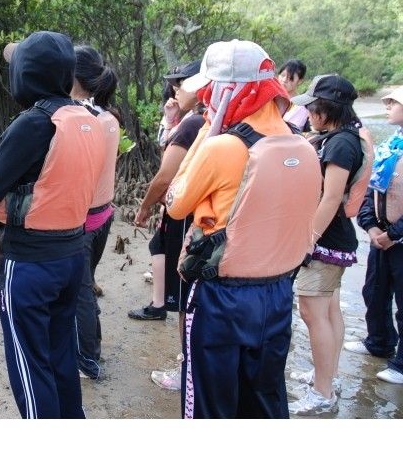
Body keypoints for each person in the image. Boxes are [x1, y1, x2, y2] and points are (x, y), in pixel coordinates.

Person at [165, 40, 322, 418]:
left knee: (209, 406)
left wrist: (207, 132)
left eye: (210, 90)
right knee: (264, 402)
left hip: (223, 298)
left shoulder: (223, 147)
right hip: (278, 294)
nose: (205, 98)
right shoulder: (302, 146)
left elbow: (175, 204)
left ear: (228, 90)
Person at [0, 31, 106, 418]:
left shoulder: (34, 123)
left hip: (30, 264)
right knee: (60, 356)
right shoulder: (91, 119)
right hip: (70, 257)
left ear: (27, 74)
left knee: (30, 367)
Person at [287, 74, 368, 415]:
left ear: (327, 109)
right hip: (337, 239)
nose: (310, 114)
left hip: (325, 240)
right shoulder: (345, 138)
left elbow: (332, 196)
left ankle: (322, 392)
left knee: (312, 312)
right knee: (330, 311)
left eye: (314, 108)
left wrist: (308, 241)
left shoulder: (338, 145)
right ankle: (328, 376)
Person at [130, 60, 207, 392]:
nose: (176, 90)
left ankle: (187, 371)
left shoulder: (193, 127)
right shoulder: (206, 122)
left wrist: (146, 207)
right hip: (203, 218)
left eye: (182, 84)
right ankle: (194, 364)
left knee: (185, 298)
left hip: (185, 218)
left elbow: (165, 175)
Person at [70, 45, 120, 380]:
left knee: (81, 291)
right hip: (103, 214)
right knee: (84, 285)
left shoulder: (83, 120)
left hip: (84, 220)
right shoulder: (109, 118)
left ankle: (88, 358)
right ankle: (87, 345)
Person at [350, 85, 403, 384]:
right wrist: (371, 225)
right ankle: (378, 341)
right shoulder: (393, 145)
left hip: (398, 237)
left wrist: (395, 233)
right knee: (375, 291)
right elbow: (373, 190)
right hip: (381, 235)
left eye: (393, 103)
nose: (387, 107)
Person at [277, 59, 309, 130]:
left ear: (300, 81)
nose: (284, 80)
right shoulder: (270, 97)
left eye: (290, 78)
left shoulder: (300, 107)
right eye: (282, 75)